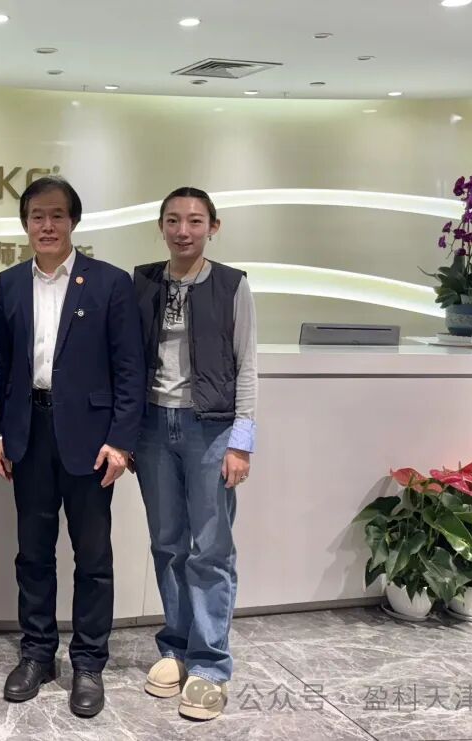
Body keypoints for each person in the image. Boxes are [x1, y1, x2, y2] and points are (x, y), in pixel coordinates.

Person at [0, 176, 145, 718]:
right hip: (28, 433)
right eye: (37, 216)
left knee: (93, 557)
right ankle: (37, 654)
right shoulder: (9, 283)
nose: (47, 225)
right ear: (25, 224)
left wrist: (121, 442)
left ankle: (88, 662)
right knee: (33, 554)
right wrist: (1, 431)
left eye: (57, 215)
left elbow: (130, 368)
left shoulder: (109, 282)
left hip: (91, 440)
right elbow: (1, 364)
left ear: (73, 221)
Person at [131, 186, 258, 721]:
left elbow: (247, 364)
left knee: (210, 549)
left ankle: (210, 665)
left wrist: (241, 441)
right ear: (161, 226)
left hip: (211, 430)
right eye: (173, 220)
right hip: (152, 427)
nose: (183, 230)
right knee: (167, 543)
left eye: (195, 220)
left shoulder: (231, 284)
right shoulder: (142, 282)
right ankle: (176, 647)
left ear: (213, 227)